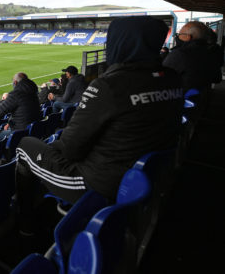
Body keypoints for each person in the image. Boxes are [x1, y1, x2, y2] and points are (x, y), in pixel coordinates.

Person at [15, 16, 183, 234]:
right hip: (142, 175)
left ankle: (25, 223)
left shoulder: (109, 86)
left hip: (98, 184)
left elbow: (70, 149)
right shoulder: (172, 78)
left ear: (120, 42)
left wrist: (49, 152)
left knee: (25, 145)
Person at [163, 21, 220, 93]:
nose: (178, 36)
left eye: (179, 34)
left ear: (188, 37)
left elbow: (163, 77)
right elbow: (217, 78)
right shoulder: (212, 53)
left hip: (182, 98)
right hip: (203, 98)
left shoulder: (180, 54)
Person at [0, 72, 41, 141]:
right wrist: (9, 123)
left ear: (15, 82)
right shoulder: (33, 91)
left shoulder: (16, 94)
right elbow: (22, 110)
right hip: (35, 129)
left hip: (21, 133)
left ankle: (8, 150)